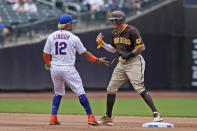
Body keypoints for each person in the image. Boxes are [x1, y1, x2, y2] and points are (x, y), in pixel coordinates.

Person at [95, 10, 163, 126]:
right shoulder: (114, 32)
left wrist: (127, 55)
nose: (112, 22)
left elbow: (141, 48)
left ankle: (156, 113)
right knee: (111, 88)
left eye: (113, 20)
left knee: (138, 87)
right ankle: (108, 117)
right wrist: (102, 43)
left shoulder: (131, 31)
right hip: (122, 63)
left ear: (120, 20)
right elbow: (113, 49)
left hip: (134, 61)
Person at [43, 14, 109, 126]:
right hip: (68, 68)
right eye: (71, 23)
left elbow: (46, 54)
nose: (72, 24)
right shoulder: (73, 38)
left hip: (55, 69)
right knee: (80, 92)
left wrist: (48, 64)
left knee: (58, 93)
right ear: (67, 25)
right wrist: (97, 60)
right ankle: (91, 117)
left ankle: (53, 117)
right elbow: (85, 53)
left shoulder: (51, 36)